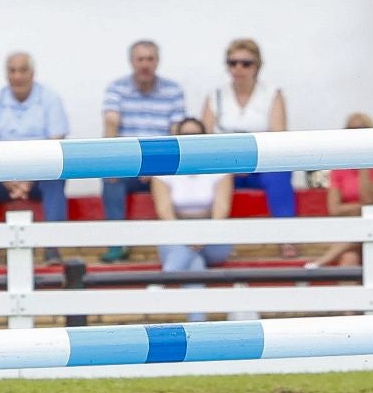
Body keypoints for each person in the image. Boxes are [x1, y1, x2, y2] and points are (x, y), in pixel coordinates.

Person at [199, 38, 297, 249]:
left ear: (257, 66)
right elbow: (204, 137)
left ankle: (286, 238)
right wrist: (231, 163)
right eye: (233, 62)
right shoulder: (215, 95)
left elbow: (278, 135)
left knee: (279, 175)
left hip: (262, 161)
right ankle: (209, 239)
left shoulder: (272, 93)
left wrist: (249, 161)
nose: (238, 68)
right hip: (224, 163)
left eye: (246, 63)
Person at [100, 40, 186, 261]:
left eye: (150, 59)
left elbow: (175, 133)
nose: (145, 64)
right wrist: (115, 164)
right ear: (132, 62)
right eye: (140, 59)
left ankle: (177, 242)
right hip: (128, 162)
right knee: (111, 179)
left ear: (157, 61)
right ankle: (117, 244)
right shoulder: (116, 88)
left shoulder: (173, 91)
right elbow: (111, 127)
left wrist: (154, 165)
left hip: (162, 163)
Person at [0, 52, 71, 235]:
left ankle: (54, 247)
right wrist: (8, 180)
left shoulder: (51, 100)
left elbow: (56, 145)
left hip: (42, 173)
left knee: (56, 179)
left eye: (23, 70)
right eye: (12, 71)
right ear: (6, 75)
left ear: (32, 73)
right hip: (2, 176)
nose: (17, 76)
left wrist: (28, 179)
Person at [151, 117, 233, 318]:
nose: (190, 140)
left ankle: (166, 277)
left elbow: (222, 209)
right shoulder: (163, 169)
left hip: (212, 234)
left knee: (189, 254)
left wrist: (204, 235)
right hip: (176, 230)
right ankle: (198, 322)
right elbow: (164, 211)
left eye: (196, 135)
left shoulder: (219, 167)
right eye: (185, 135)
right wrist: (188, 237)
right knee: (195, 263)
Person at [306, 114, 373, 270]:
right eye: (351, 129)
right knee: (349, 259)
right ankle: (324, 269)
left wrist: (364, 164)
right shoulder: (340, 167)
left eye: (361, 129)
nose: (356, 134)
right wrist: (365, 208)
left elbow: (368, 200)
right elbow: (334, 209)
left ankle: (318, 263)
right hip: (348, 228)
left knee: (368, 232)